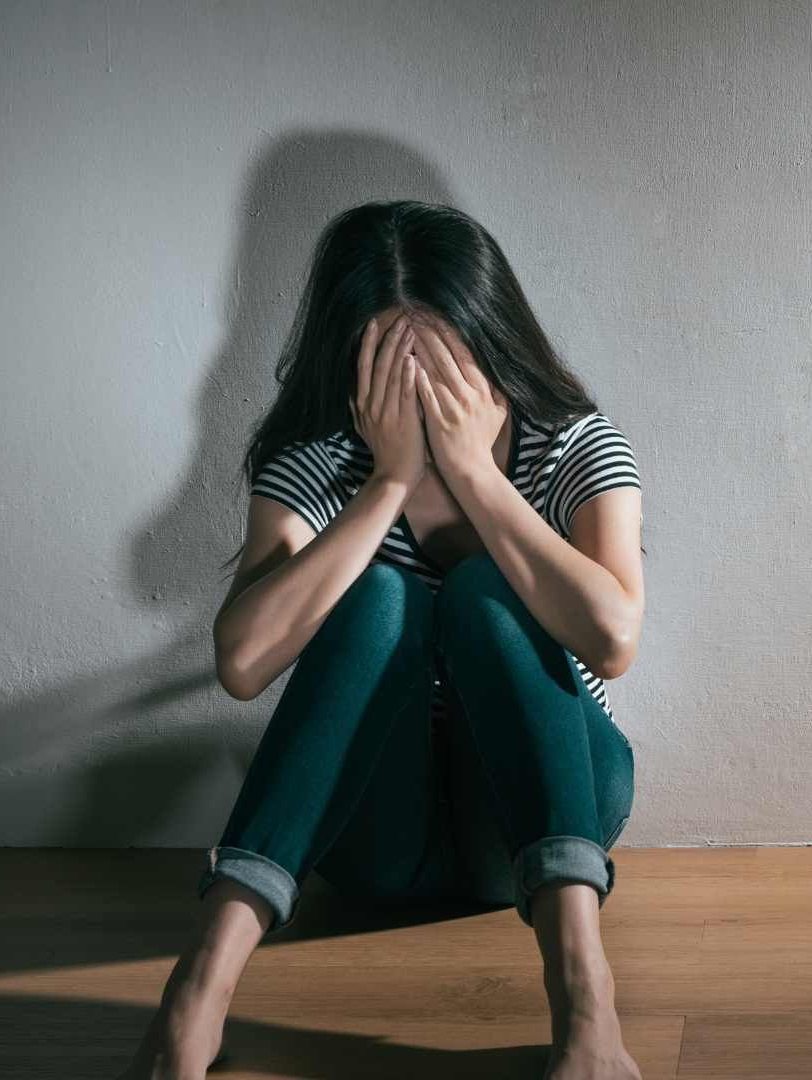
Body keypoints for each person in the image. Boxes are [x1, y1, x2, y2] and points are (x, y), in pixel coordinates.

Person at [121, 200, 647, 1080]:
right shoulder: (318, 463)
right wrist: (389, 484)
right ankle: (199, 990)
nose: (421, 387)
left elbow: (613, 637)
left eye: (441, 359)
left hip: (541, 813)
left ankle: (585, 995)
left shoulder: (574, 449)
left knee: (485, 592)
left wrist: (477, 476)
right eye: (390, 363)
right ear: (349, 363)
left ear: (492, 344)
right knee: (379, 599)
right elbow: (243, 663)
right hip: (378, 836)